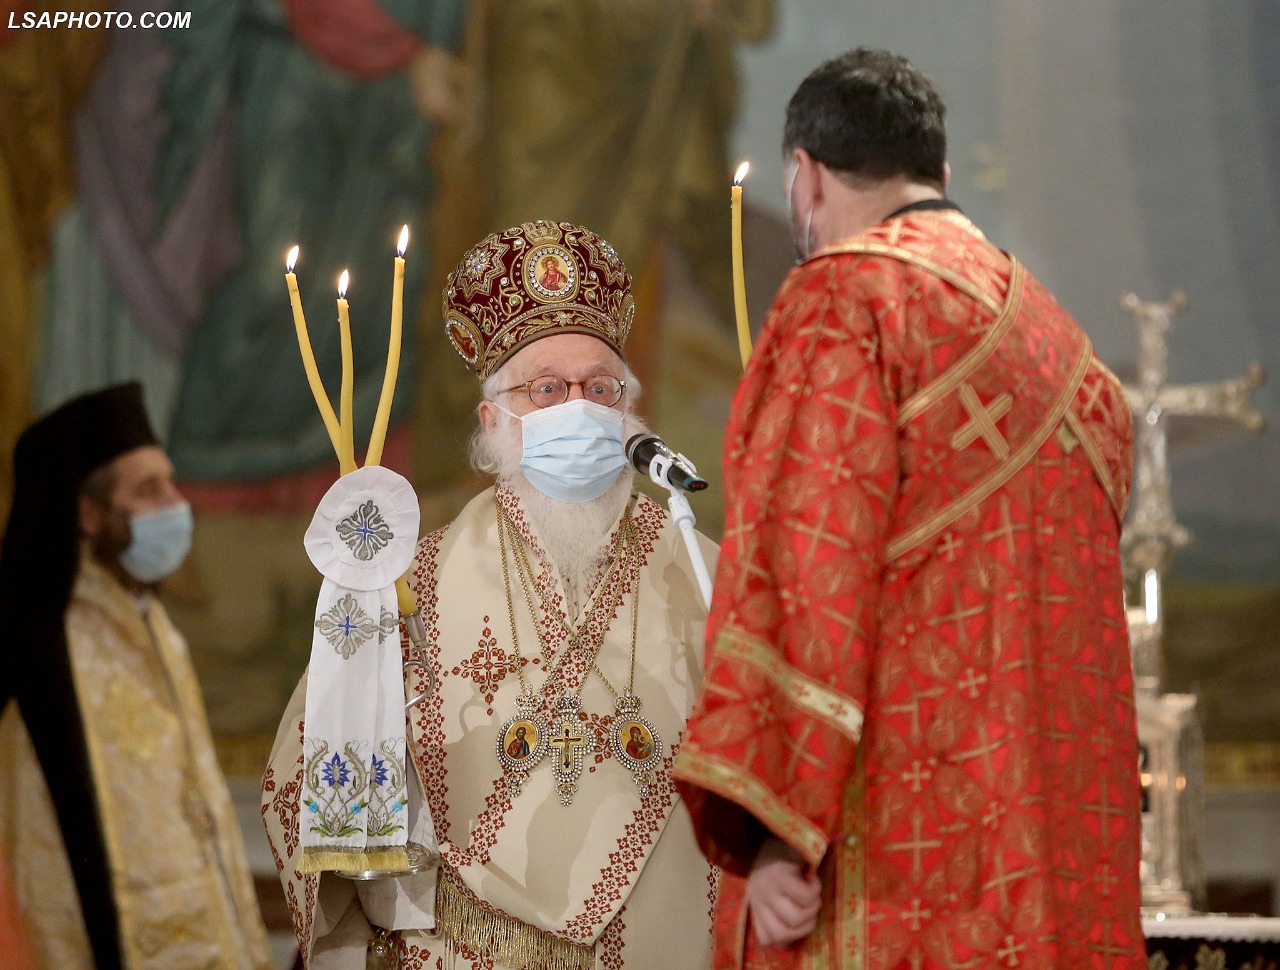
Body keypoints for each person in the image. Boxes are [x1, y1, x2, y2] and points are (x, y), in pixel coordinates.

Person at [671, 48, 1145, 969]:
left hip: (897, 858)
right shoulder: (1066, 348)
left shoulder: (844, 298)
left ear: (803, 178)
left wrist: (773, 820)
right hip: (1045, 867)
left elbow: (805, 564)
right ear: (942, 176)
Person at [263, 220, 719, 969]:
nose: (578, 407)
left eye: (599, 388)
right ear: (492, 420)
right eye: (546, 389)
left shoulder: (705, 573)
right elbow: (310, 777)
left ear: (631, 410)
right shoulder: (411, 586)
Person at [0, 382, 273, 970]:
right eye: (149, 490)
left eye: (171, 483)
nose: (175, 504)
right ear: (89, 513)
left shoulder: (158, 628)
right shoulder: (46, 650)